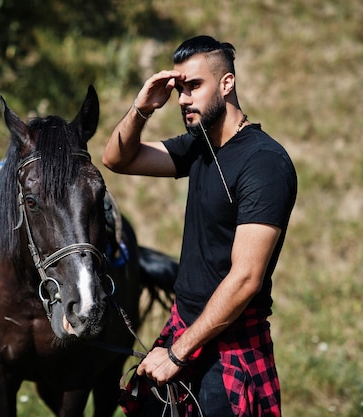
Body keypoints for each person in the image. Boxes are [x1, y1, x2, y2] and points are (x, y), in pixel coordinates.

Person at [102, 35, 297, 416]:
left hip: (230, 348)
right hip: (185, 330)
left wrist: (177, 353)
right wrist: (142, 108)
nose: (183, 99)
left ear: (227, 83)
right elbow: (117, 159)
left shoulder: (264, 163)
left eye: (194, 86)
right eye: (179, 89)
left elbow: (245, 279)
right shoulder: (200, 147)